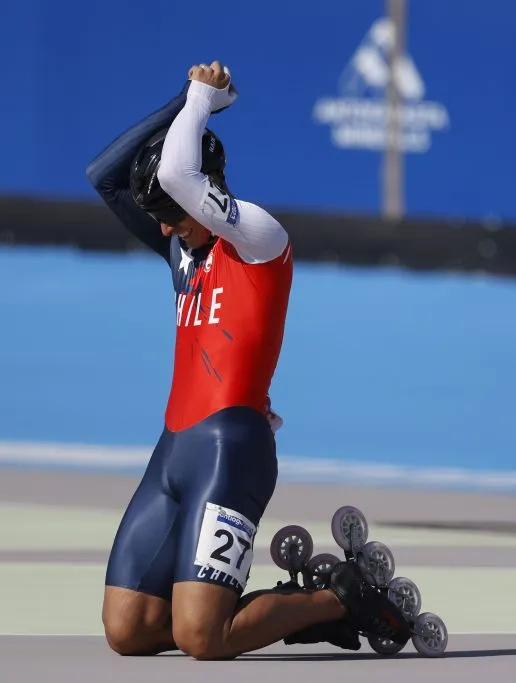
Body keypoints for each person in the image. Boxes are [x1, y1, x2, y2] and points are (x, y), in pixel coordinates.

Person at [84, 61, 410, 661]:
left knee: (202, 640)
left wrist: (204, 102)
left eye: (174, 213)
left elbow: (181, 175)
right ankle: (276, 609)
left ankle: (345, 597)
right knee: (128, 631)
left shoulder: (260, 240)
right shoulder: (184, 250)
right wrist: (183, 99)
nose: (164, 226)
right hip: (174, 450)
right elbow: (103, 176)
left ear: (205, 195)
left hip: (232, 450)